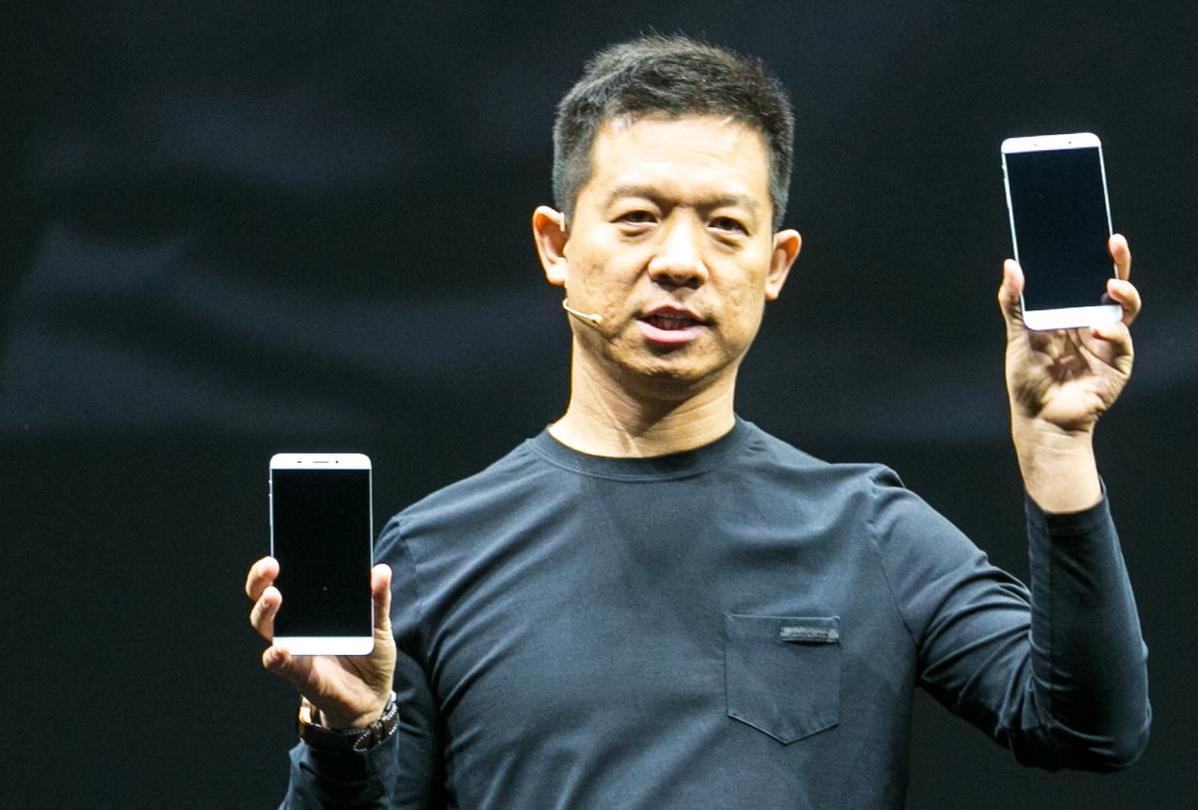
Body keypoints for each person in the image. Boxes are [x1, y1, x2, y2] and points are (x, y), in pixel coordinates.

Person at [246, 34, 1149, 808]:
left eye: (724, 226)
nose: (680, 261)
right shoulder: (434, 557)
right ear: (556, 245)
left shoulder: (868, 532)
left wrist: (1058, 448)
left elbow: (1089, 727)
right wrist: (346, 737)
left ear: (776, 263)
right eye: (639, 218)